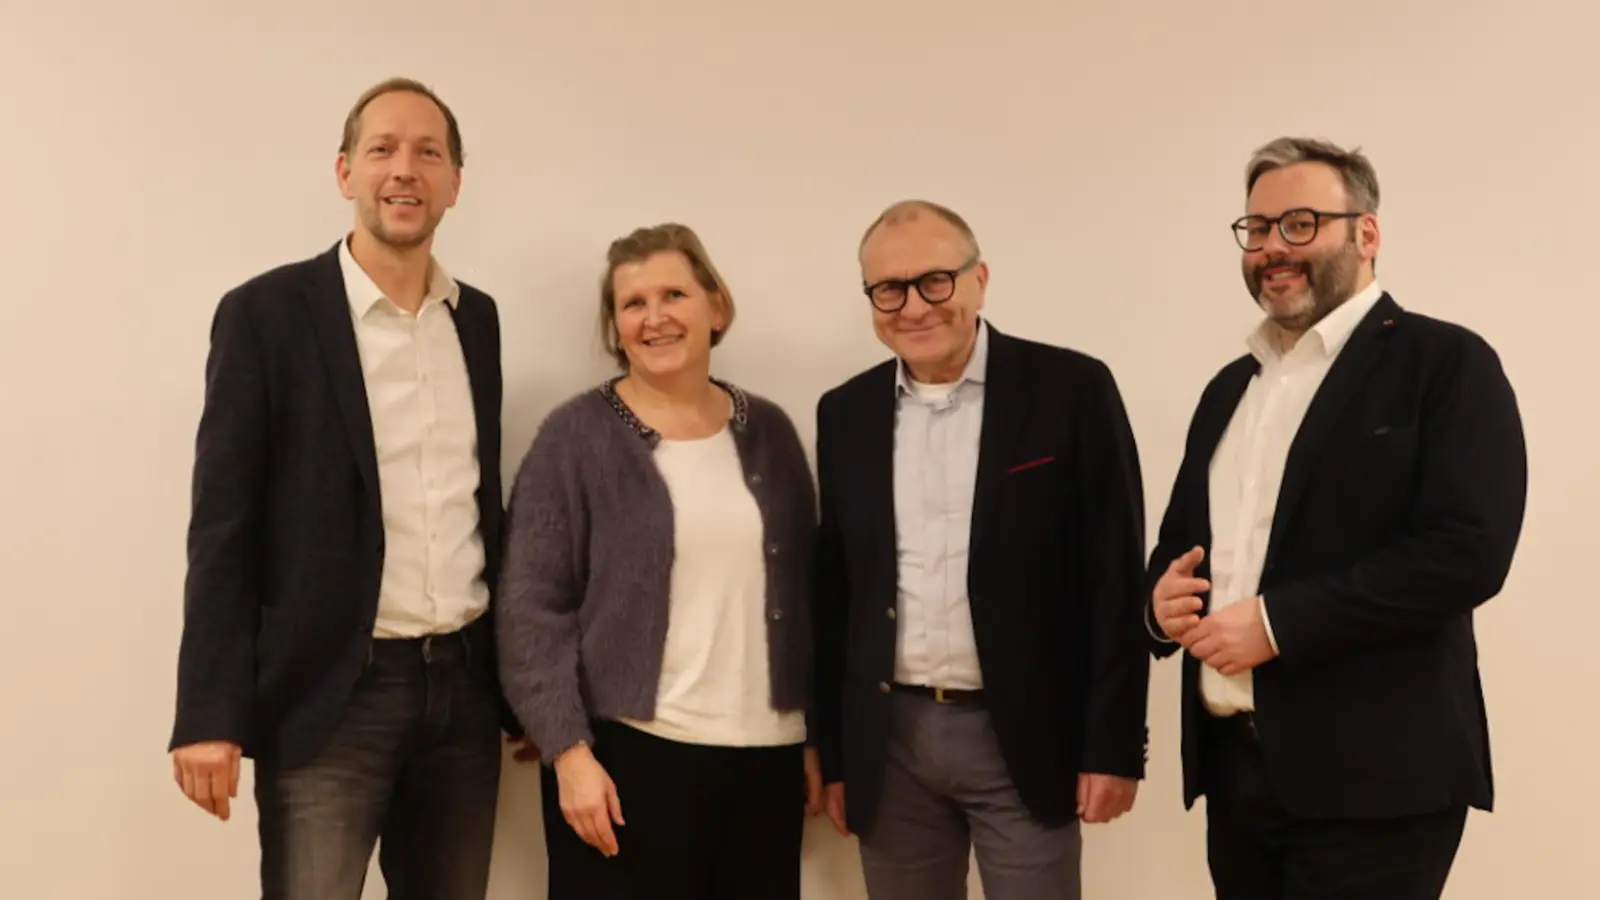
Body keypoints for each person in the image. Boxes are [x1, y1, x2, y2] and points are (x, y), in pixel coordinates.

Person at [167, 77, 531, 900]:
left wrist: (525, 685)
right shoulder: (265, 315)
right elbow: (224, 525)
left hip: (464, 691)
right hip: (331, 695)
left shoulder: (478, 321)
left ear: (454, 184)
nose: (405, 170)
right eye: (382, 149)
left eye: (428, 153)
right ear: (344, 173)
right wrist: (209, 714)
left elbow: (483, 508)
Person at [1145, 136, 1528, 900]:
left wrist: (1278, 624)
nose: (1272, 249)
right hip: (1237, 775)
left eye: (1300, 224)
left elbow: (1468, 552)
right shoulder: (1230, 388)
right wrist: (1159, 607)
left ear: (1367, 233)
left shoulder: (1446, 363)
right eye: (1257, 230)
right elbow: (1179, 549)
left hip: (1379, 783)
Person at [810, 199, 1151, 900]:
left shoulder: (1072, 390)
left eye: (936, 280)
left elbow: (1115, 577)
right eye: (889, 289)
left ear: (979, 279)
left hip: (1025, 731)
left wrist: (1113, 746)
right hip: (891, 740)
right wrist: (839, 754)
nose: (914, 307)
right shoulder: (844, 413)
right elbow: (837, 591)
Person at [495, 222, 825, 900]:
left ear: (716, 306)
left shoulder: (770, 432)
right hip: (627, 761)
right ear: (615, 327)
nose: (655, 317)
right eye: (633, 303)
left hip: (765, 760)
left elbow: (808, 595)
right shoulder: (575, 436)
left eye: (674, 293)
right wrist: (569, 753)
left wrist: (813, 736)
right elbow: (531, 609)